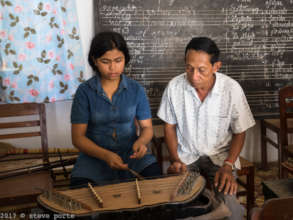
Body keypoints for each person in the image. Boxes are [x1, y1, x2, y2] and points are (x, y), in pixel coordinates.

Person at [157, 37, 255, 220]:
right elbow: (169, 127)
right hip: (186, 156)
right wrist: (175, 160)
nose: (194, 76)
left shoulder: (231, 89)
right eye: (189, 68)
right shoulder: (174, 87)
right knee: (180, 205)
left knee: (231, 210)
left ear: (216, 67)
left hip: (220, 158)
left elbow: (240, 131)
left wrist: (228, 165)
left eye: (201, 70)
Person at [70, 31, 161, 187]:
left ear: (125, 58)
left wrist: (141, 142)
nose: (113, 67)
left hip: (132, 156)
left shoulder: (136, 89)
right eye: (105, 61)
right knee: (81, 196)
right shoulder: (84, 92)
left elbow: (147, 128)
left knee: (157, 185)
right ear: (95, 60)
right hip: (94, 158)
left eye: (118, 60)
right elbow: (78, 138)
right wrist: (105, 155)